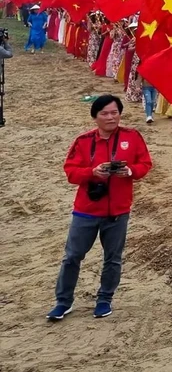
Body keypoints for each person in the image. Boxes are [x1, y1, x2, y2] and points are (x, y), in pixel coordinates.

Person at [47, 95, 153, 321]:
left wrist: (131, 171)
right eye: (104, 113)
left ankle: (104, 300)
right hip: (86, 210)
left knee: (113, 258)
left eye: (114, 112)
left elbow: (145, 164)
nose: (110, 117)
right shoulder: (84, 141)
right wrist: (92, 172)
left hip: (118, 210)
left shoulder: (131, 137)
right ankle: (63, 302)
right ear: (95, 117)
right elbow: (71, 173)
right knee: (72, 256)